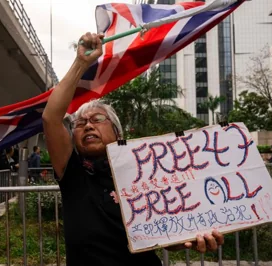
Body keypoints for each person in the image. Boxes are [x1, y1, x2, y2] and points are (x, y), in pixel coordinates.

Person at [42, 32, 224, 266]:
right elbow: (50, 118)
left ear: (118, 134)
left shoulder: (146, 174)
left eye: (97, 119)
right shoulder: (73, 173)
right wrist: (81, 63)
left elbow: (165, 234)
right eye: (80, 123)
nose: (88, 125)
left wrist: (191, 239)